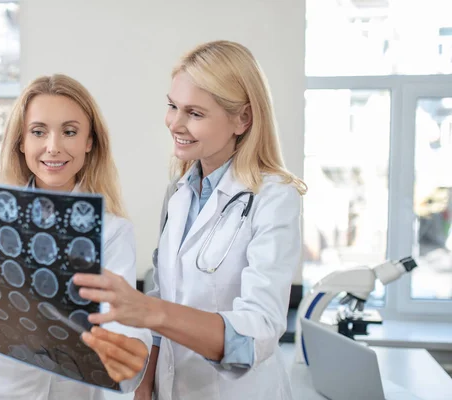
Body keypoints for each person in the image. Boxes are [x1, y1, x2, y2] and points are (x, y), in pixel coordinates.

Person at [73, 40, 306, 400]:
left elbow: (256, 334)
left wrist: (152, 312)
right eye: (172, 106)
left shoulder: (274, 197)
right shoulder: (180, 192)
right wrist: (145, 388)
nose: (175, 124)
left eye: (195, 114)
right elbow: (163, 293)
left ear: (242, 118)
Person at [0, 74, 151, 400]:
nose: (53, 146)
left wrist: (129, 351)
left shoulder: (112, 232)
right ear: (22, 141)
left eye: (70, 132)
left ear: (89, 142)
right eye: (38, 132)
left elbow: (123, 325)